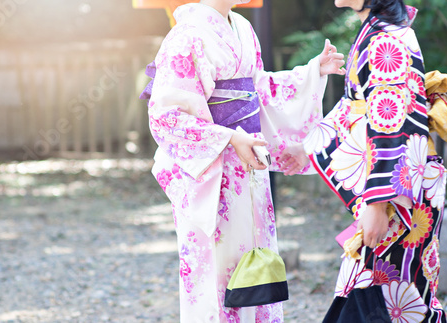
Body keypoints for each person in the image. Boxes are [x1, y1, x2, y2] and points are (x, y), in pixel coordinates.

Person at [141, 0, 345, 321]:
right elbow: (165, 116)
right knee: (215, 274)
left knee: (255, 264)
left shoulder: (244, 29)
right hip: (212, 170)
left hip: (249, 167)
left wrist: (310, 73)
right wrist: (230, 138)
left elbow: (258, 89)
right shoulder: (185, 36)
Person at [278, 0, 447, 322]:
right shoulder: (378, 31)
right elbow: (357, 108)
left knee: (391, 299)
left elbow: (392, 124)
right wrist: (308, 148)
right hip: (400, 189)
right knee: (382, 296)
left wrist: (377, 203)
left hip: (398, 197)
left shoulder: (386, 39)